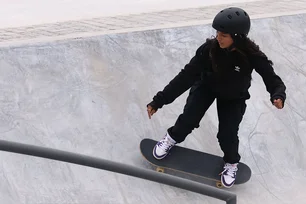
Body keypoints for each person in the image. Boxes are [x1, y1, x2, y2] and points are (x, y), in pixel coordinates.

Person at [146, 7, 286, 188]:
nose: (218, 38)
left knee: (227, 134)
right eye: (218, 33)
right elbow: (186, 76)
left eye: (224, 35)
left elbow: (272, 78)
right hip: (206, 87)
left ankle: (231, 163)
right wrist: (159, 100)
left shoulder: (252, 56)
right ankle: (171, 138)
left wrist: (277, 95)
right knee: (188, 118)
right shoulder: (209, 50)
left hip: (234, 97)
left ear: (238, 36)